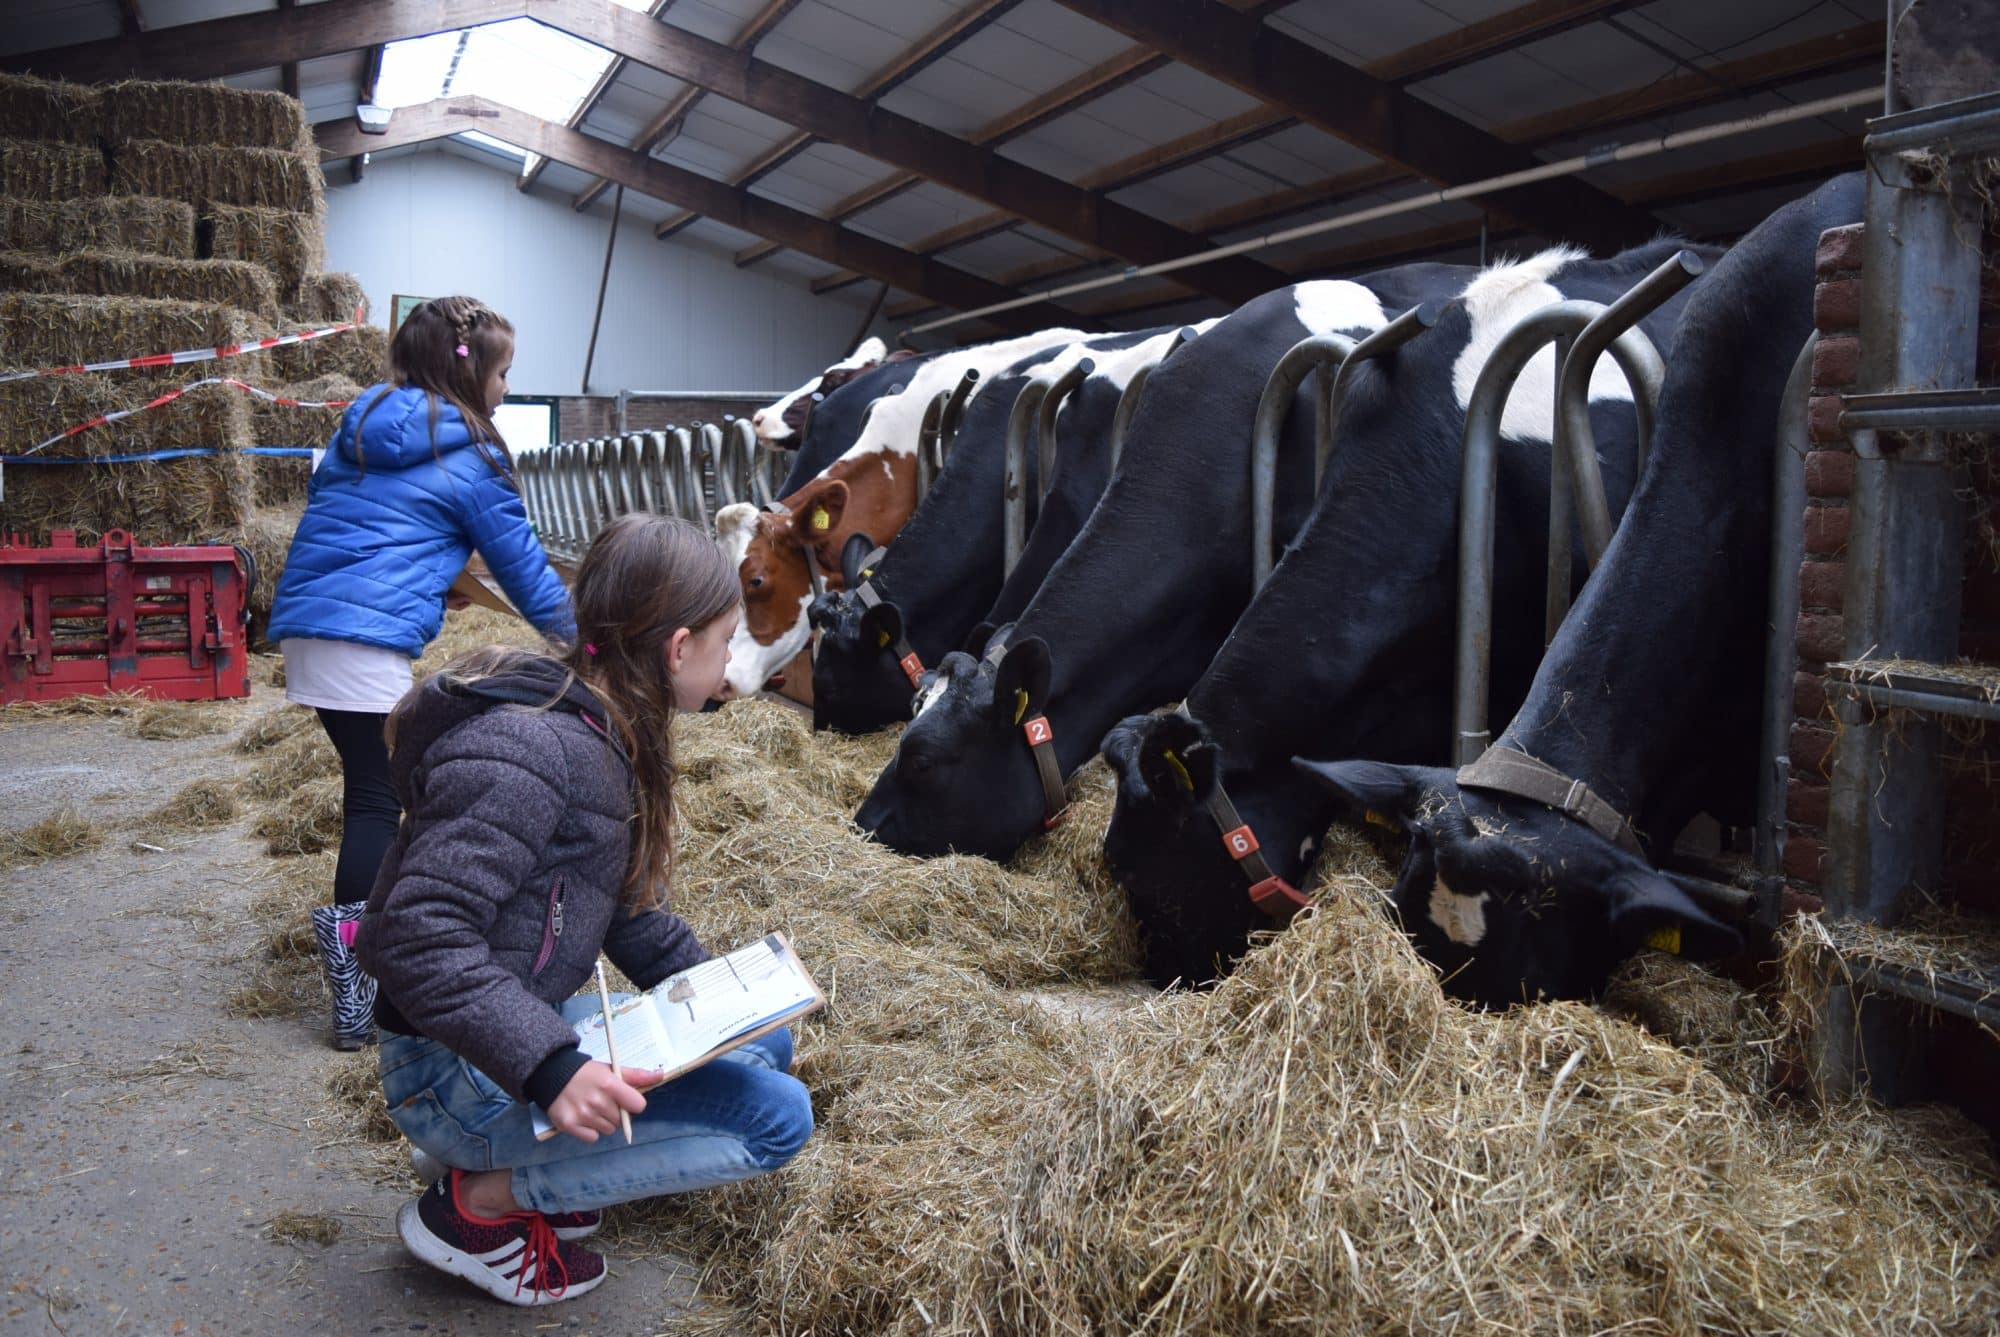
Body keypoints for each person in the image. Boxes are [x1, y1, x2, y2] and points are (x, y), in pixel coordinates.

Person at [352, 512, 814, 1307]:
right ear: (678, 649)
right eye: (726, 638)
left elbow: (625, 912)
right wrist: (553, 1068)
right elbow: (415, 932)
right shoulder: (532, 751)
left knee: (764, 1046)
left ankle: (543, 1176)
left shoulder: (606, 729)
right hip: (449, 1072)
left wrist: (727, 998)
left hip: (506, 1025)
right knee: (777, 1119)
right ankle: (476, 1205)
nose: (732, 659)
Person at [266, 296, 574, 1050]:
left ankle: (379, 963)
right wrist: (590, 645)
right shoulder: (472, 454)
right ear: (467, 374)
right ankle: (359, 988)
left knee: (380, 789)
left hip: (316, 629)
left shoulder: (360, 428)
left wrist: (434, 582)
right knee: (382, 800)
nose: (505, 388)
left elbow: (365, 533)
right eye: (503, 374)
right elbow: (527, 574)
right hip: (363, 642)